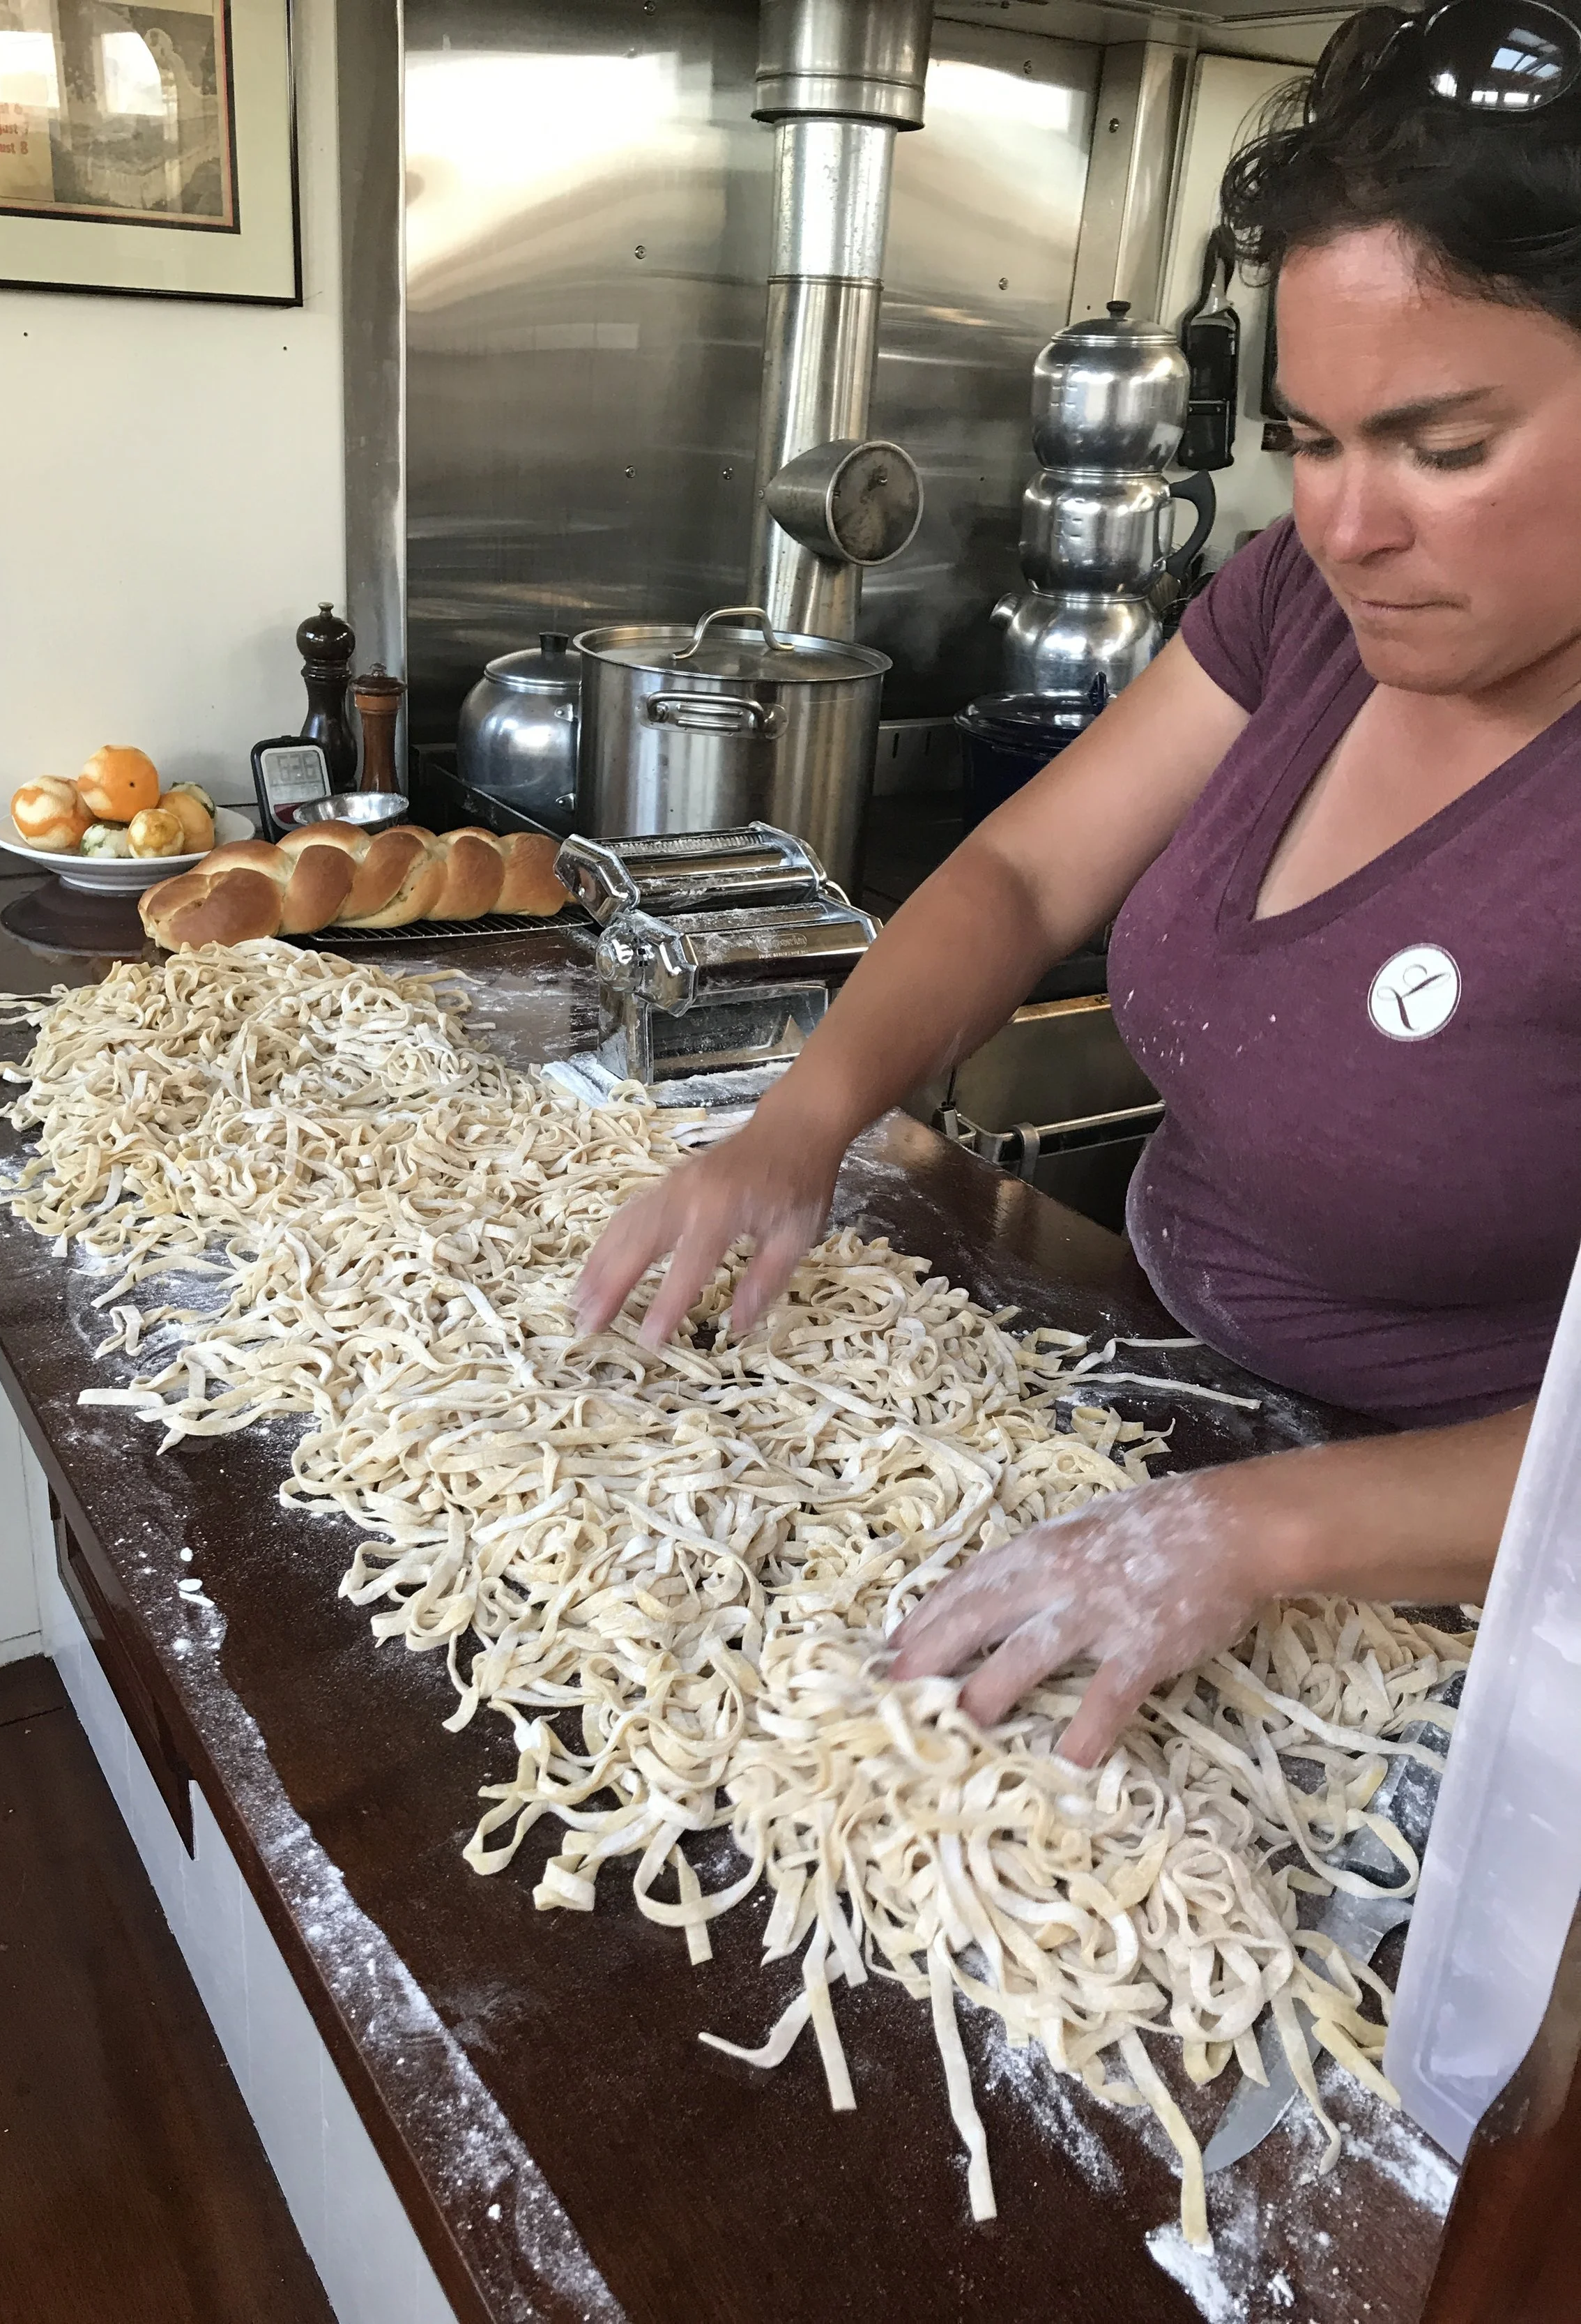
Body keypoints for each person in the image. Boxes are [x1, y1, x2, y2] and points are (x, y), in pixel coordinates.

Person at [575, 0, 1581, 1765]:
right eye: (1311, 439)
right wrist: (800, 1118)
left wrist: (1253, 1534)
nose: (1349, 524)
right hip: (1148, 1386)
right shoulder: (1296, 605)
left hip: (1448, 1593)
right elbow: (1030, 869)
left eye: (1439, 447)